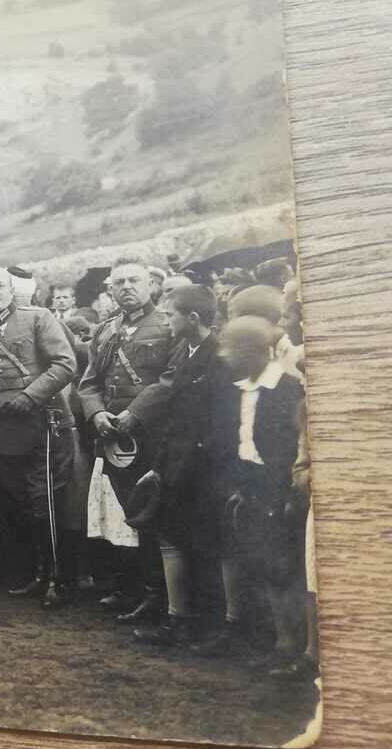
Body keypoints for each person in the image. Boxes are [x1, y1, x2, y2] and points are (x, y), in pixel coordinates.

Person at [198, 315, 312, 678]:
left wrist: (284, 493)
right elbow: (236, 442)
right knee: (263, 565)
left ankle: (295, 646)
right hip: (249, 483)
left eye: (231, 349)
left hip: (280, 488)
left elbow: (289, 447)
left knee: (285, 568)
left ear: (254, 350)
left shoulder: (287, 389)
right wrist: (237, 484)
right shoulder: (238, 390)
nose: (225, 356)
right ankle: (276, 640)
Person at [0, 265, 77, 608]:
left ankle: (60, 578)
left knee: (45, 499)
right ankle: (38, 574)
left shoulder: (38, 317)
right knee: (21, 501)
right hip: (2, 431)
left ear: (12, 290)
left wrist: (30, 396)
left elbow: (64, 364)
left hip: (41, 421)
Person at [78, 256, 183, 624]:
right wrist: (96, 413)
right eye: (118, 282)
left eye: (134, 280)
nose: (126, 288)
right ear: (110, 290)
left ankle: (157, 595)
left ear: (151, 285)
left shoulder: (169, 326)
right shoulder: (105, 330)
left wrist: (134, 414)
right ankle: (131, 588)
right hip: (112, 438)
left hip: (152, 436)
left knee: (151, 513)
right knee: (121, 513)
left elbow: (170, 380)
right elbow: (88, 382)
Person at [131, 285, 232, 648]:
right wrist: (159, 467)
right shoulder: (186, 353)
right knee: (173, 540)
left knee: (205, 546)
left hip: (203, 470)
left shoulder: (218, 357)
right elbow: (174, 420)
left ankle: (211, 627)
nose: (167, 320)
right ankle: (179, 621)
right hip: (176, 467)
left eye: (172, 314)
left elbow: (220, 425)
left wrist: (187, 468)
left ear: (192, 318)